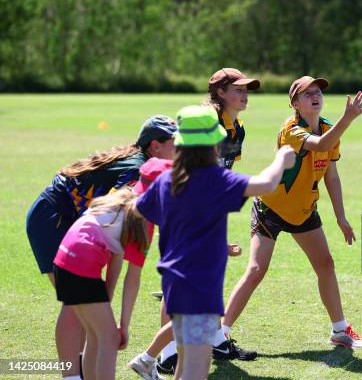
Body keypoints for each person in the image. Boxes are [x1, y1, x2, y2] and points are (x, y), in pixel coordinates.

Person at [136, 104, 296, 380]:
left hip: (173, 281)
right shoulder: (215, 179)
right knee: (196, 370)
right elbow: (266, 185)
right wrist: (282, 157)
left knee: (186, 362)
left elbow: (141, 209)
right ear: (214, 144)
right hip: (200, 285)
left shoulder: (167, 179)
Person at [221, 76, 362, 351]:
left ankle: (339, 329)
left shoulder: (327, 127)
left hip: (304, 210)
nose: (315, 96)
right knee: (256, 270)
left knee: (325, 264)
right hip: (271, 209)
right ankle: (220, 333)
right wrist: (348, 118)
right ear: (295, 104)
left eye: (318, 92)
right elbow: (321, 145)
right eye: (307, 93)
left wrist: (341, 217)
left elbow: (331, 176)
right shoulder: (292, 130)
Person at [129, 69, 261, 380]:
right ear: (219, 93)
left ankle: (214, 340)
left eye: (247, 89)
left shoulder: (236, 128)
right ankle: (164, 355)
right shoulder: (207, 119)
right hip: (179, 205)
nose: (244, 94)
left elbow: (218, 179)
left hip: (204, 210)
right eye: (237, 89)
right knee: (176, 287)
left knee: (201, 284)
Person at [25, 115, 176, 379]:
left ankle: (82, 371)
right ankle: (71, 375)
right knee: (76, 304)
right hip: (54, 219)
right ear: (155, 146)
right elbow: (115, 230)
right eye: (176, 144)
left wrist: (107, 298)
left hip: (73, 224)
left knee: (89, 310)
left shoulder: (144, 169)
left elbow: (117, 246)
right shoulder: (138, 173)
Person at [53, 188, 151, 380]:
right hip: (81, 261)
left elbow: (113, 268)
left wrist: (106, 306)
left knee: (95, 335)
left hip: (62, 260)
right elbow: (130, 280)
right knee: (109, 338)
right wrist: (123, 326)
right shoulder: (140, 221)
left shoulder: (116, 201)